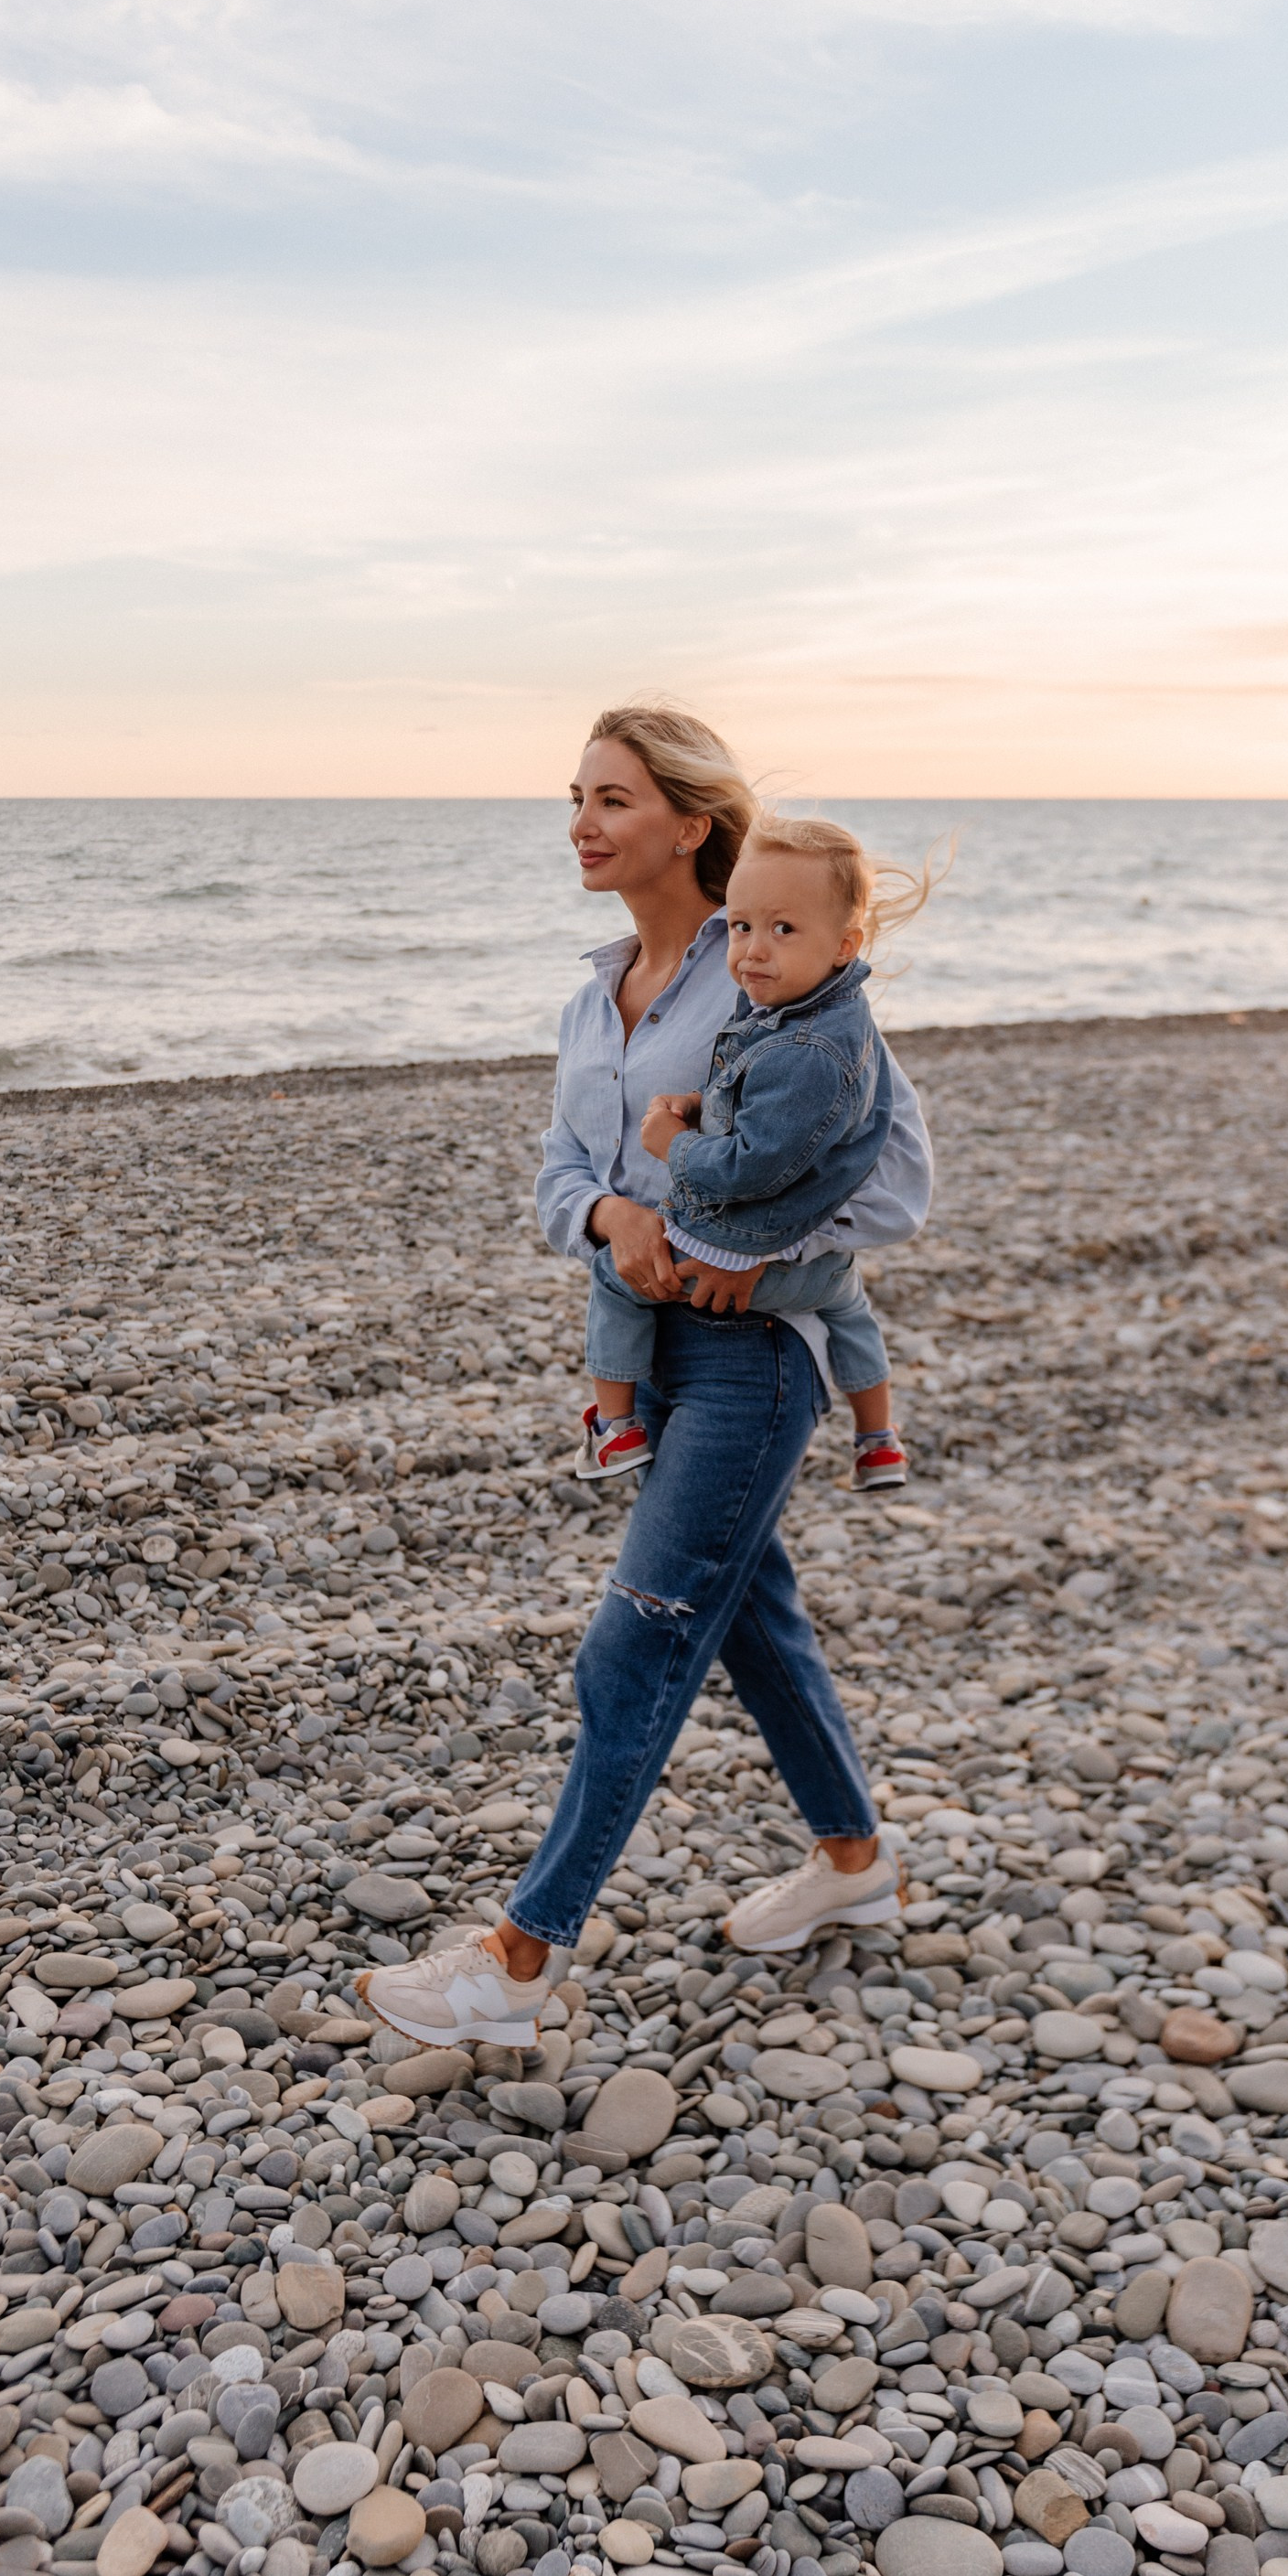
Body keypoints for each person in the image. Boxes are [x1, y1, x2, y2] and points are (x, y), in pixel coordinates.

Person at [356, 705, 932, 2051]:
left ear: (688, 823)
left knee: (633, 1648)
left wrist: (758, 1247)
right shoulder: (588, 995)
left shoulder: (774, 979)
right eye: (574, 796)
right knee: (751, 1621)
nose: (579, 822)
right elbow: (560, 1170)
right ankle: (854, 1866)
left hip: (753, 1361)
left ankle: (514, 1964)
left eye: (610, 799)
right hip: (644, 1351)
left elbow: (898, 1184)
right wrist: (609, 1221)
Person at [576, 811, 930, 1493]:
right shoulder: (804, 1016)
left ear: (844, 945)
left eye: (783, 929)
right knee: (848, 1302)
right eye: (740, 927)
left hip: (742, 1259)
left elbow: (755, 1164)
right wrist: (702, 1104)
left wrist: (674, 1144)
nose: (753, 951)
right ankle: (877, 1439)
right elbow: (782, 1121)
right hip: (811, 1264)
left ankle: (613, 1428)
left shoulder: (810, 1046)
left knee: (615, 1282)